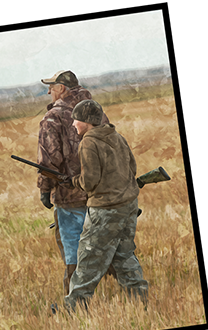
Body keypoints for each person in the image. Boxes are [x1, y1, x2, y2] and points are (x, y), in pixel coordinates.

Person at [60, 98, 148, 312]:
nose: (73, 124)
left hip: (105, 210)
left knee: (89, 258)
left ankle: (73, 308)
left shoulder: (88, 142)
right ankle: (140, 303)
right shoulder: (116, 136)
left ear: (86, 122)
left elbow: (89, 181)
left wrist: (73, 181)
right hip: (128, 206)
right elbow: (132, 167)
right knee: (124, 254)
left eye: (76, 120)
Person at [36, 70, 107, 295]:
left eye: (52, 87)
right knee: (107, 242)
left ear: (63, 88)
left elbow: (50, 159)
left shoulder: (53, 117)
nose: (49, 91)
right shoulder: (96, 111)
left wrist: (45, 190)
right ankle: (132, 295)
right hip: (102, 193)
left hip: (70, 196)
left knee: (73, 249)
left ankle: (75, 303)